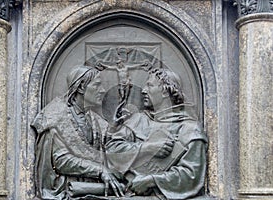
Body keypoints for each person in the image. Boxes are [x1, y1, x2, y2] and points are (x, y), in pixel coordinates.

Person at [106, 68, 208, 199]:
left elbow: (191, 175)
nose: (143, 90)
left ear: (165, 91)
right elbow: (112, 150)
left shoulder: (190, 129)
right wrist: (147, 148)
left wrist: (152, 180)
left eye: (150, 86)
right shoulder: (137, 120)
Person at [31, 66, 123, 199]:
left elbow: (101, 148)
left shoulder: (94, 118)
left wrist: (114, 128)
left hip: (97, 188)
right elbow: (61, 160)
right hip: (68, 189)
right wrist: (100, 170)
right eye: (97, 85)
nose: (102, 90)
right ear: (80, 87)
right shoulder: (53, 117)